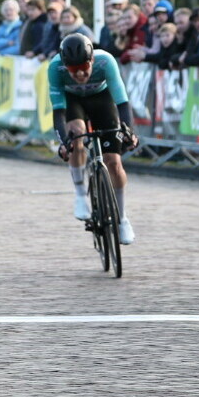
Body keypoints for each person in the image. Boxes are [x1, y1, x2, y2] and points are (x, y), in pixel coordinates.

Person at [49, 32, 138, 245]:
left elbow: (122, 103)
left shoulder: (105, 61)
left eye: (84, 68)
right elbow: (58, 112)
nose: (79, 74)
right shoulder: (55, 68)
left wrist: (129, 132)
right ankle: (80, 194)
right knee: (76, 134)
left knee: (114, 162)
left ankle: (122, 218)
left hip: (101, 98)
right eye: (73, 70)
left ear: (92, 61)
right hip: (72, 101)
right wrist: (64, 142)